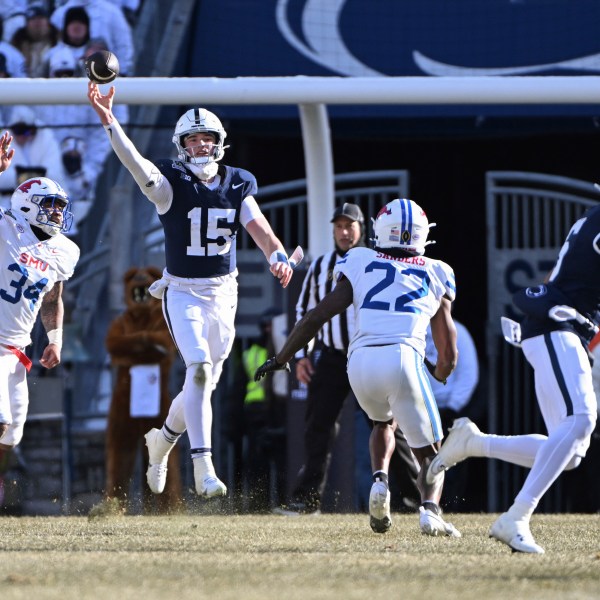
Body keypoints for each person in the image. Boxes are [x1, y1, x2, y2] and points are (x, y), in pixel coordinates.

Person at [87, 82, 295, 499]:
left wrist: (277, 254)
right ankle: (204, 465)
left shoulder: (238, 182)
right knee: (197, 369)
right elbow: (136, 164)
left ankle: (162, 441)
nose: (200, 145)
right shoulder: (171, 181)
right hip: (182, 291)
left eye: (207, 138)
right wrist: (109, 119)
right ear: (181, 145)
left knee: (203, 383)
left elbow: (259, 228)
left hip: (223, 292)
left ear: (220, 144)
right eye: (193, 139)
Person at [256, 198, 461, 537]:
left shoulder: (360, 260)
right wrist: (439, 374)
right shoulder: (436, 270)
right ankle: (430, 511)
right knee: (431, 454)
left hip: (359, 360)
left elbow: (315, 316)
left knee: (382, 423)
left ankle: (380, 480)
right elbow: (448, 353)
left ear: (376, 229)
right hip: (402, 358)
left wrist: (282, 358)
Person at [427, 207, 600, 554]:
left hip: (565, 329)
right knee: (581, 420)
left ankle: (473, 443)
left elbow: (560, 274)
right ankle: (516, 517)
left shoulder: (590, 220)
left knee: (569, 454)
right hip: (558, 325)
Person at [277, 202, 420, 515]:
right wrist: (301, 355)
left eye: (349, 226)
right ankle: (307, 501)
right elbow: (306, 310)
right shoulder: (320, 265)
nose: (343, 232)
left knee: (389, 427)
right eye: (338, 226)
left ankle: (415, 499)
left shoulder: (375, 261)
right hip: (332, 356)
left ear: (362, 229)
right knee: (319, 429)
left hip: (368, 355)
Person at [0, 131, 80, 451]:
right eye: (50, 204)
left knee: (10, 439)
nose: (58, 211)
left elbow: (52, 297)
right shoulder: (6, 226)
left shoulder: (64, 250)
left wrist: (55, 340)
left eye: (61, 205)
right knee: (0, 422)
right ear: (27, 205)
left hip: (18, 350)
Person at [424, 318, 479, 510]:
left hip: (445, 411)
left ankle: (449, 507)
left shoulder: (459, 331)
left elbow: (468, 375)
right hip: (415, 408)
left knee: (448, 464)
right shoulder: (413, 327)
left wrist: (452, 407)